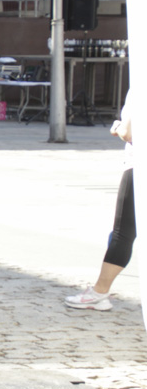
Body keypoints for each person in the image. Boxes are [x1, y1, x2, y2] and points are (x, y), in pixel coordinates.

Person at [66, 102, 134, 311]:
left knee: (123, 233)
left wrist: (117, 127)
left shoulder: (141, 86)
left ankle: (100, 292)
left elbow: (129, 133)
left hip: (139, 167)